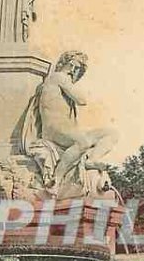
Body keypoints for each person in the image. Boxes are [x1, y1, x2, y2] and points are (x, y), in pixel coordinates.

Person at [21, 51, 117, 194]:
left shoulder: (57, 80)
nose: (79, 73)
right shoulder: (58, 77)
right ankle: (56, 179)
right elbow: (82, 100)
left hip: (68, 131)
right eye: (80, 68)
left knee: (111, 134)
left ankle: (91, 160)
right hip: (55, 130)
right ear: (72, 65)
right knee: (83, 142)